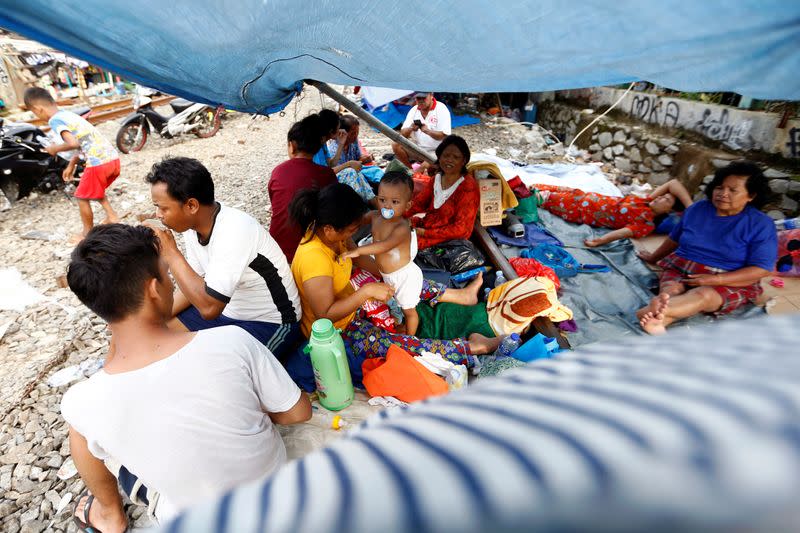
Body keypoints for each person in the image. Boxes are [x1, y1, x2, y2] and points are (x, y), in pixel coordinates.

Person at [61, 224, 311, 530]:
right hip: (274, 494)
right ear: (154, 289)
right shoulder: (232, 342)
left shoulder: (83, 401)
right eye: (167, 275)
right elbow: (297, 412)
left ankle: (109, 515)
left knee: (81, 430)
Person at [290, 183, 501, 368]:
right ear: (329, 229)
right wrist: (367, 292)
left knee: (401, 276)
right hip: (339, 331)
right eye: (351, 230)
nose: (352, 234)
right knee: (399, 346)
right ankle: (472, 348)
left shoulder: (330, 232)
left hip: (351, 300)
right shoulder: (314, 260)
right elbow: (325, 315)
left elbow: (357, 258)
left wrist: (387, 275)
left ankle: (460, 296)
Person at [145, 157, 301, 359]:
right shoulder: (192, 226)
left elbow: (209, 308)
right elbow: (194, 283)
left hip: (271, 322)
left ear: (191, 205)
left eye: (163, 208)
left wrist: (171, 253)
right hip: (228, 312)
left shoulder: (234, 230)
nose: (158, 215)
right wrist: (157, 317)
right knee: (154, 336)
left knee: (223, 373)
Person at [636, 161, 777, 335]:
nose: (723, 194)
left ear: (751, 196)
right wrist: (653, 257)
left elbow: (761, 269)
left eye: (732, 190)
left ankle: (656, 312)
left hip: (731, 278)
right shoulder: (697, 209)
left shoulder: (761, 224)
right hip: (683, 266)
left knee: (703, 296)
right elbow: (674, 239)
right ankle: (659, 319)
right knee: (671, 290)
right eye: (719, 187)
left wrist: (715, 280)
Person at [24, 87, 121, 243]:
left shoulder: (55, 120)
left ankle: (87, 235)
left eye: (35, 114)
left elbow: (73, 143)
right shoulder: (69, 115)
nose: (38, 117)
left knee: (82, 196)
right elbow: (84, 143)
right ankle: (112, 216)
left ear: (38, 109)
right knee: (92, 187)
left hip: (98, 163)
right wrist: (72, 164)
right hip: (112, 160)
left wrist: (55, 148)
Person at [343, 171, 421, 335]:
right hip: (387, 274)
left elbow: (384, 246)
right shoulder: (375, 216)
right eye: (382, 200)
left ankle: (410, 338)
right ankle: (399, 324)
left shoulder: (401, 227)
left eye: (395, 202)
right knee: (395, 303)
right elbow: (357, 221)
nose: (387, 206)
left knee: (409, 311)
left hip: (404, 275)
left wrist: (357, 251)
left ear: (407, 205)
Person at [537, 178, 693, 247]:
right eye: (663, 195)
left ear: (669, 211)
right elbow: (673, 183)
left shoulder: (646, 223)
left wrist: (599, 241)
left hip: (576, 209)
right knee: (534, 186)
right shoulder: (646, 201)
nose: (660, 198)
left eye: (666, 200)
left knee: (534, 197)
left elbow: (621, 233)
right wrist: (691, 207)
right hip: (579, 194)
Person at [269, 114, 337, 261]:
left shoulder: (278, 171)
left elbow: (276, 204)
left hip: (276, 248)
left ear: (292, 146)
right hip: (311, 251)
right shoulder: (327, 174)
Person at [407, 135, 480, 250]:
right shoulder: (436, 178)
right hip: (428, 226)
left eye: (456, 157)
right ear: (439, 156)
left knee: (402, 243)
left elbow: (461, 229)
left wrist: (424, 233)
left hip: (449, 240)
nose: (449, 160)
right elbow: (419, 203)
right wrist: (400, 216)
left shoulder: (468, 188)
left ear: (464, 161)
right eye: (445, 155)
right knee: (397, 228)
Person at [325, 114, 379, 204]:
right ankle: (369, 202)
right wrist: (350, 164)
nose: (356, 135)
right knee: (353, 173)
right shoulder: (333, 149)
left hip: (356, 170)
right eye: (353, 133)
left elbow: (358, 159)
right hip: (346, 177)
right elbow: (335, 171)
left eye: (357, 132)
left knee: (375, 171)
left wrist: (364, 159)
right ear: (343, 133)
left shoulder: (353, 143)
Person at [392, 92, 452, 167]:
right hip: (419, 149)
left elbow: (443, 136)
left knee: (423, 167)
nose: (421, 101)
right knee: (396, 144)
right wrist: (411, 128)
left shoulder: (441, 108)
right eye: (418, 98)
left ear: (431, 95)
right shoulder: (414, 110)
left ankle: (416, 173)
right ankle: (409, 170)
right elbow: (402, 134)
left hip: (438, 151)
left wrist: (427, 131)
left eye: (423, 98)